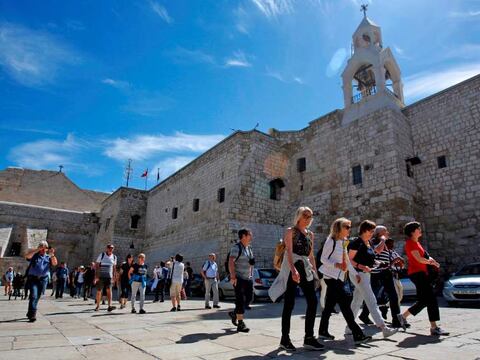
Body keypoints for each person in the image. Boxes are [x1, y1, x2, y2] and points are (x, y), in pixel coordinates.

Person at [318, 218, 372, 345]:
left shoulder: (344, 242)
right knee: (345, 304)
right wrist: (336, 265)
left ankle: (322, 331)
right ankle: (357, 334)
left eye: (350, 227)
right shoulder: (330, 240)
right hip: (331, 277)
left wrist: (354, 273)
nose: (349, 229)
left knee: (329, 305)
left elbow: (347, 261)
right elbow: (323, 259)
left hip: (340, 277)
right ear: (338, 228)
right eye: (346, 227)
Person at [276, 207, 324, 351]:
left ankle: (309, 338)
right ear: (298, 216)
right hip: (294, 266)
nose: (308, 218)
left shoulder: (310, 234)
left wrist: (316, 273)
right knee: (289, 303)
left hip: (305, 267)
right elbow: (289, 252)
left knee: (313, 301)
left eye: (310, 216)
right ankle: (285, 339)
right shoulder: (291, 231)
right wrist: (293, 270)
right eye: (305, 215)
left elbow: (310, 255)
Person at [397, 222, 449, 336]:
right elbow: (419, 259)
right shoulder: (410, 244)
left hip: (421, 274)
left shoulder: (417, 243)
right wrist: (430, 262)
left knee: (424, 300)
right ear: (412, 232)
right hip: (417, 274)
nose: (420, 230)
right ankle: (434, 327)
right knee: (431, 299)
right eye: (418, 229)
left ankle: (402, 317)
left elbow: (425, 255)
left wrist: (432, 260)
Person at [347, 220, 397, 338]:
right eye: (371, 231)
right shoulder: (356, 243)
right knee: (371, 299)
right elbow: (349, 260)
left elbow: (370, 258)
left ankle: (349, 327)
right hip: (358, 274)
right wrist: (361, 266)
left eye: (373, 231)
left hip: (366, 274)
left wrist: (379, 262)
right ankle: (383, 327)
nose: (372, 233)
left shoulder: (368, 242)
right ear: (364, 230)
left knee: (357, 302)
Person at [228, 228, 255, 334]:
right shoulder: (236, 247)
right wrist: (233, 276)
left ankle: (235, 313)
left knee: (249, 299)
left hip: (248, 278)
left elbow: (251, 262)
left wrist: (251, 271)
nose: (251, 236)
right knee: (240, 300)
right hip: (238, 277)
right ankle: (240, 323)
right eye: (250, 234)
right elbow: (231, 261)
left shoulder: (249, 248)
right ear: (243, 236)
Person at [24, 241, 58, 321]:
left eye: (45, 247)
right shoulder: (34, 255)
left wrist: (52, 254)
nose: (43, 249)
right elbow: (27, 256)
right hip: (33, 278)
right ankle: (32, 314)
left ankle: (30, 312)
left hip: (43, 279)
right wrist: (37, 250)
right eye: (41, 247)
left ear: (46, 249)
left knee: (37, 297)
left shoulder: (48, 257)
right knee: (33, 296)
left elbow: (55, 263)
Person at [94, 244, 117, 312]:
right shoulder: (102, 255)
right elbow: (97, 265)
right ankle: (98, 306)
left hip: (109, 277)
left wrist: (114, 276)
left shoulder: (114, 257)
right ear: (107, 248)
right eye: (109, 248)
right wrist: (96, 276)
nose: (111, 249)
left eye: (112, 248)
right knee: (99, 291)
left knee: (109, 291)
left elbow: (114, 267)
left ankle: (109, 306)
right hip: (101, 276)